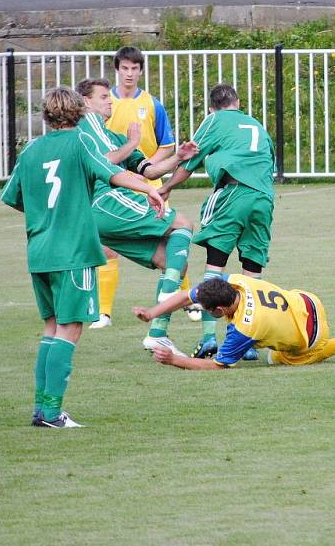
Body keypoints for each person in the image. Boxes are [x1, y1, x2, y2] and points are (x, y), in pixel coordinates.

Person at [0, 87, 165, 428]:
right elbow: (112, 173)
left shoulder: (31, 150)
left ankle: (41, 409)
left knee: (51, 327)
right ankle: (51, 413)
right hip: (73, 250)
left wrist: (45, 213)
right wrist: (148, 187)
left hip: (39, 252)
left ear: (46, 115)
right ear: (79, 113)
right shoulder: (80, 142)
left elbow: (13, 196)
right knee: (71, 326)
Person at [76, 78, 199, 354]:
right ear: (86, 102)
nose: (110, 101)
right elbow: (103, 162)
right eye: (104, 96)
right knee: (183, 224)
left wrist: (178, 156)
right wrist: (133, 142)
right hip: (105, 201)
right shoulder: (87, 125)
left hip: (102, 218)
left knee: (174, 262)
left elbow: (151, 171)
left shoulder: (112, 135)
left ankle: (158, 333)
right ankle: (153, 325)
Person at [159, 83, 275, 361]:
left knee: (215, 267)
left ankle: (210, 338)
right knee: (252, 271)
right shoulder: (255, 123)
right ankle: (246, 341)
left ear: (212, 108)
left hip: (233, 192)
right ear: (238, 102)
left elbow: (190, 160)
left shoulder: (214, 120)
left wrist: (166, 187)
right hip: (264, 197)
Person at [91, 45, 188, 328]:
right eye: (125, 68)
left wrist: (146, 169)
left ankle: (187, 301)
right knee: (108, 250)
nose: (130, 73)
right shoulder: (105, 106)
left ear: (141, 71)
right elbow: (103, 155)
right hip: (113, 188)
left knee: (171, 244)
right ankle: (104, 312)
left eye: (135, 68)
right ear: (117, 70)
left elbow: (166, 144)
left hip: (148, 184)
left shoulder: (152, 104)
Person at [132, 275, 335, 369]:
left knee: (279, 359)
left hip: (313, 334)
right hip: (309, 301)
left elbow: (218, 366)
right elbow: (188, 295)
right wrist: (152, 313)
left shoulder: (243, 328)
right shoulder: (236, 281)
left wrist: (175, 359)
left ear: (219, 309)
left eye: (207, 311)